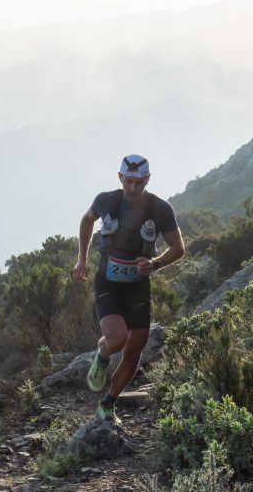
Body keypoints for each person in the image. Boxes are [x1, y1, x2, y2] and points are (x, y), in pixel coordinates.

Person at [73, 154, 185, 423]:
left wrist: (154, 264)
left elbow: (178, 248)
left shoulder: (160, 209)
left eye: (139, 183)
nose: (133, 188)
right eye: (128, 182)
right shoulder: (106, 200)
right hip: (107, 281)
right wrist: (82, 259)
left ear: (147, 180)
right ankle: (102, 354)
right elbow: (87, 220)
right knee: (117, 339)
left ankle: (108, 403)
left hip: (138, 286)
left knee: (135, 348)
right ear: (120, 178)